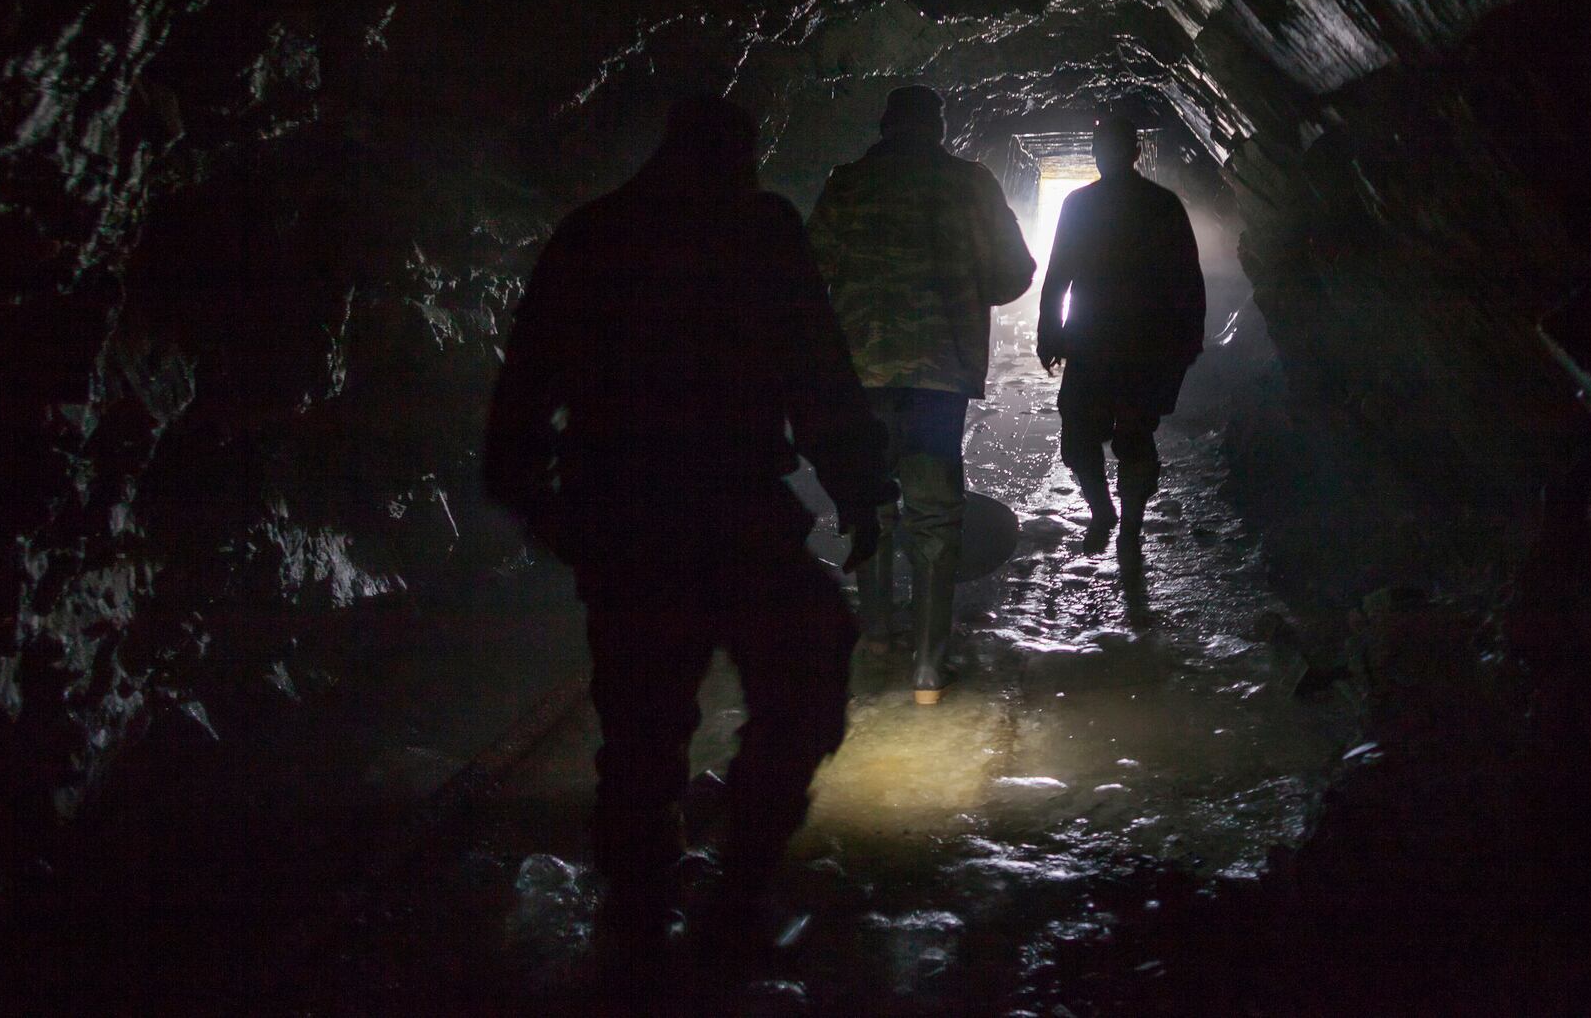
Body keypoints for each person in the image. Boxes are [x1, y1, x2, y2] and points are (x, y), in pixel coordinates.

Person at [481, 96, 894, 961]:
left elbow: (522, 393)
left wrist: (544, 506)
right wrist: (861, 488)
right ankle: (734, 889)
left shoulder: (590, 235)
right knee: (803, 685)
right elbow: (815, 367)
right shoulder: (759, 229)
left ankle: (636, 915)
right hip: (736, 512)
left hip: (627, 520)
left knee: (639, 728)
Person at [807, 86, 1036, 704]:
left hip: (859, 377)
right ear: (939, 128)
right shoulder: (970, 183)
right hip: (938, 376)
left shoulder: (846, 183)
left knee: (870, 501)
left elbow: (809, 272)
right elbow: (1016, 273)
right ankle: (929, 670)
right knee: (934, 514)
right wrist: (960, 283)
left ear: (884, 126)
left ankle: (878, 635)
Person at [1038, 114, 1206, 554]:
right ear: (1135, 153)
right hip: (1137, 344)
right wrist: (1189, 340)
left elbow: (1059, 274)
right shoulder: (1162, 204)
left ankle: (1112, 517)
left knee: (1085, 436)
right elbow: (1189, 279)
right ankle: (1122, 520)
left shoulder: (1083, 205)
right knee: (1124, 435)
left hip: (1099, 342)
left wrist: (1050, 332)